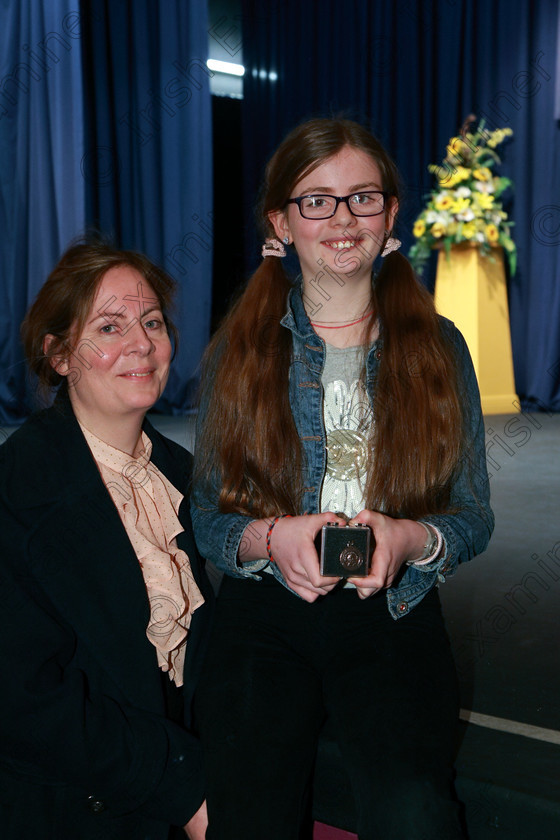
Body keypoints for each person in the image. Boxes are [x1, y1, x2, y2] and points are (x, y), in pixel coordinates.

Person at [190, 118, 494, 840]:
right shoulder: (240, 345)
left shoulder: (440, 346)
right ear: (280, 221)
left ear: (390, 214)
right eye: (316, 201)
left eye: (362, 198)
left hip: (392, 611)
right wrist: (270, 536)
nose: (342, 218)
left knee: (415, 815)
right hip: (263, 616)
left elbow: (473, 517)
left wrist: (410, 537)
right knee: (246, 818)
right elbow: (205, 517)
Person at [0, 240, 213, 840]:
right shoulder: (18, 488)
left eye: (151, 322)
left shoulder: (176, 472)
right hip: (72, 806)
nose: (142, 344)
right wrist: (184, 788)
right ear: (61, 355)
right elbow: (24, 702)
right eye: (110, 327)